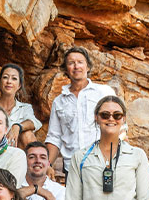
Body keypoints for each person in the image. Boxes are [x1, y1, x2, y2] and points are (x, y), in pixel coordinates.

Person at [45, 46, 115, 180]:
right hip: (72, 167)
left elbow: (120, 128)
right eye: (71, 63)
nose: (76, 66)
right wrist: (48, 164)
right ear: (66, 70)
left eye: (80, 62)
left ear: (88, 66)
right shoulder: (59, 102)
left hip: (101, 164)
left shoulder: (104, 92)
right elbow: (54, 137)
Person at [0, 63, 42, 148]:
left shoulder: (25, 108)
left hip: (16, 155)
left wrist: (17, 126)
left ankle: (35, 160)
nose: (9, 81)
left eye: (14, 78)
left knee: (27, 134)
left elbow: (34, 123)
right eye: (5, 77)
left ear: (19, 85)